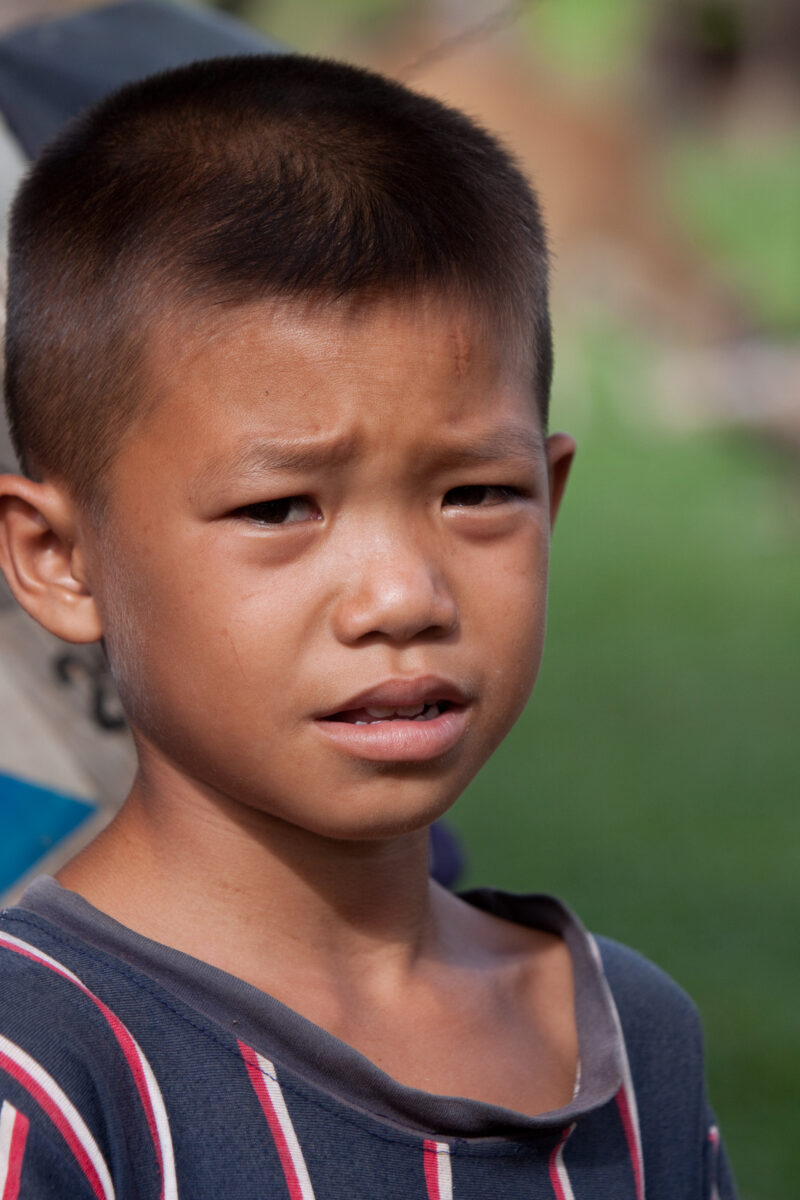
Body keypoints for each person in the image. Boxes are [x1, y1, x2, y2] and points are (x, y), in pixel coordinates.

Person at [0, 53, 735, 1198]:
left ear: (551, 498)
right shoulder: (43, 1077)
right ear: (59, 558)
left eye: (475, 496)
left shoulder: (635, 1042)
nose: (402, 597)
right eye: (279, 507)